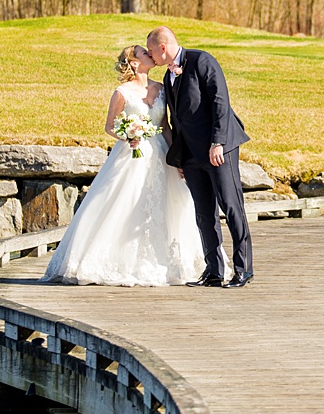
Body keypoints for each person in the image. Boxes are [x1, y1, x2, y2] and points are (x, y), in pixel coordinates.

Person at [41, 45, 207, 286]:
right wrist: (128, 135)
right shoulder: (122, 92)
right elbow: (109, 126)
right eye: (144, 53)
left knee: (168, 205)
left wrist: (177, 157)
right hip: (132, 155)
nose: (150, 54)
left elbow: (166, 127)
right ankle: (119, 262)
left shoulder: (161, 89)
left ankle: (170, 262)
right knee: (126, 203)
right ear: (134, 63)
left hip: (160, 153)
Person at [146, 26, 254, 288]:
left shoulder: (202, 61)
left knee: (231, 206)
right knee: (204, 214)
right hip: (192, 155)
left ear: (163, 47)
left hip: (219, 149)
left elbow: (220, 102)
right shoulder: (168, 75)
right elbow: (177, 120)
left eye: (151, 51)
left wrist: (218, 142)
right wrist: (181, 159)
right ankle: (214, 271)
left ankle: (243, 269)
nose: (151, 56)